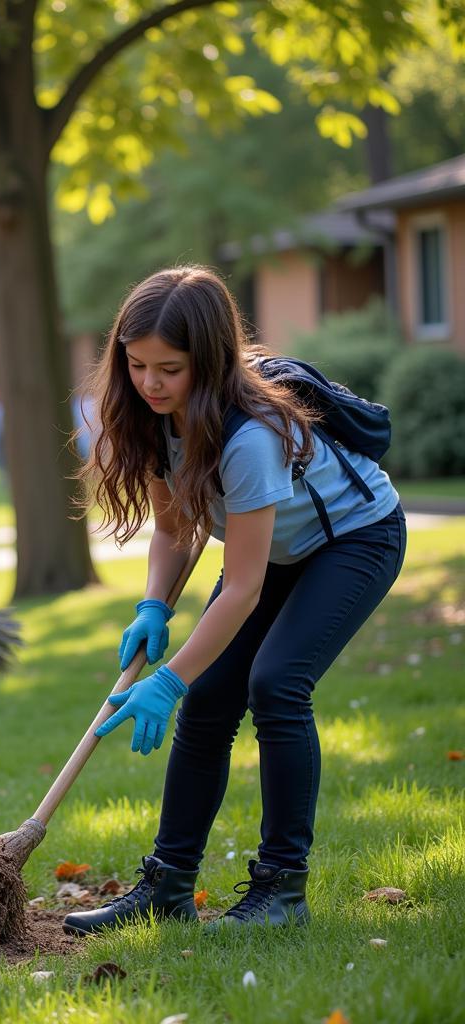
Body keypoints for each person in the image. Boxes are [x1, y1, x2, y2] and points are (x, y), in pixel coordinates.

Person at [63, 265, 405, 936]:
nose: (150, 383)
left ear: (210, 361)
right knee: (213, 695)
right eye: (136, 365)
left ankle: (281, 891)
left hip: (354, 540)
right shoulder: (151, 418)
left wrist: (166, 680)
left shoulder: (250, 436)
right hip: (276, 549)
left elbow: (243, 586)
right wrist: (153, 607)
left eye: (170, 368)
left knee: (277, 685)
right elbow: (172, 528)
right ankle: (167, 884)